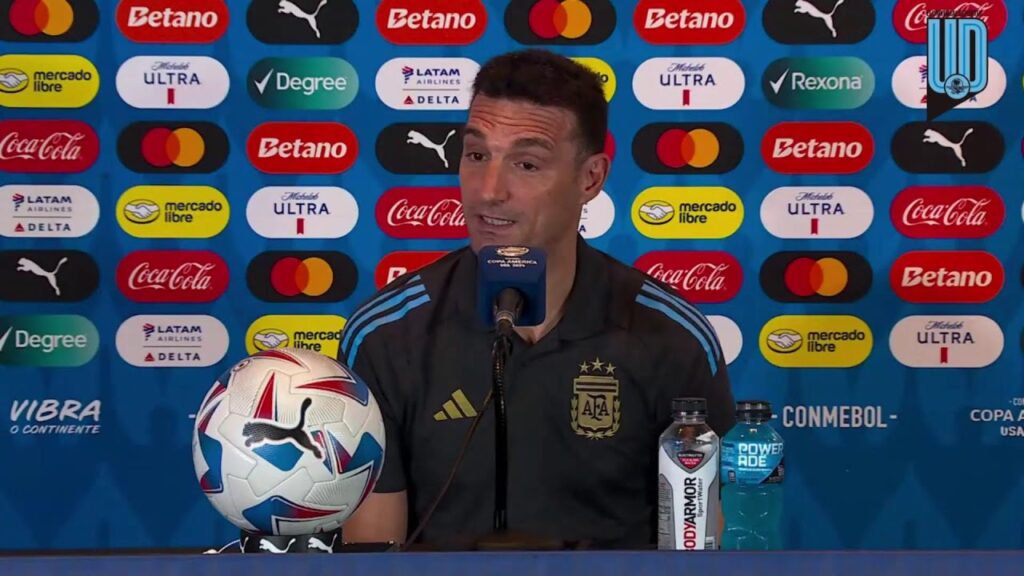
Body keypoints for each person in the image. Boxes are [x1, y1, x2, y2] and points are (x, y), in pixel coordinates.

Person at [337, 49, 736, 549]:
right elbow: (373, 555)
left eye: (526, 164)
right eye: (476, 155)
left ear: (590, 179)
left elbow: (701, 545)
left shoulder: (671, 336)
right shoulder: (385, 335)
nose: (487, 191)